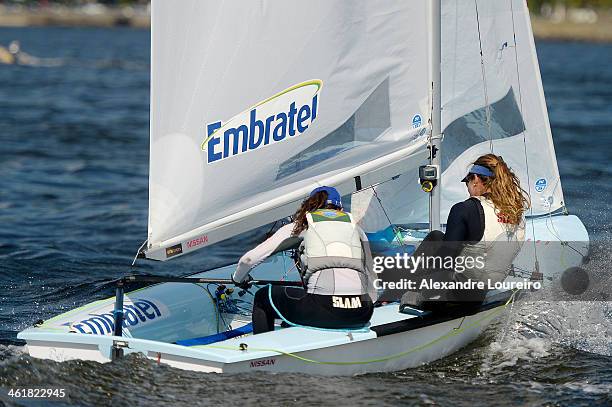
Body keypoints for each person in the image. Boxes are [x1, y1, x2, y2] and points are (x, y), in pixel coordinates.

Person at [232, 186, 377, 334]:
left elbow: (248, 260)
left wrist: (238, 279)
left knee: (263, 296)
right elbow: (372, 279)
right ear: (339, 207)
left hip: (324, 310)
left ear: (310, 205)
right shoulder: (356, 228)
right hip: (362, 312)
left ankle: (263, 352)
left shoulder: (303, 225)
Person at [398, 153, 528, 312]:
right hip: (478, 297)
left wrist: (426, 293)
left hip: (453, 297)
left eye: (467, 181)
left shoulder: (465, 209)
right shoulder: (517, 215)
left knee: (435, 238)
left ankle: (395, 294)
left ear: (476, 179)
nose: (467, 188)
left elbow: (445, 259)